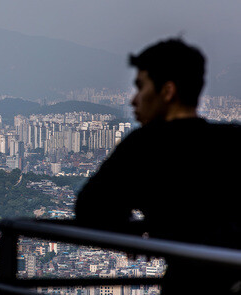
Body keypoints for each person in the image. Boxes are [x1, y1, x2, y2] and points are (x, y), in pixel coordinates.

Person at [75, 38, 241, 294]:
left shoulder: (145, 146)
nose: (134, 100)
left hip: (186, 285)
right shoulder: (232, 140)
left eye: (141, 87)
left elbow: (90, 206)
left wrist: (126, 227)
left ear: (167, 91)